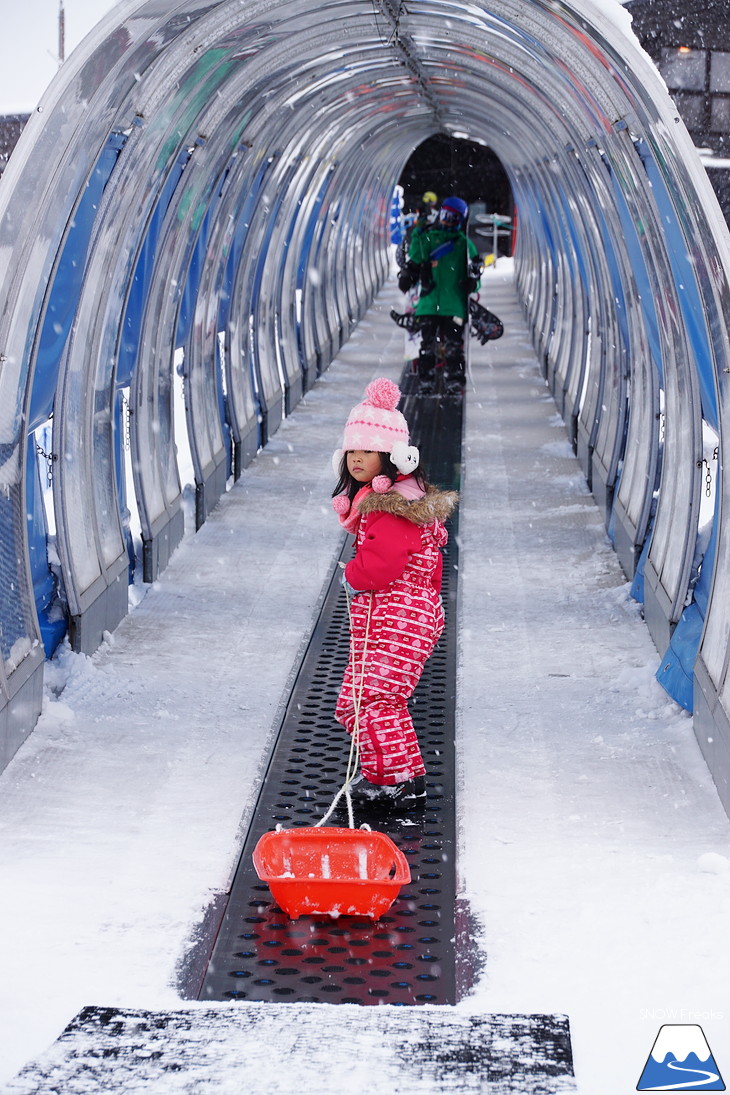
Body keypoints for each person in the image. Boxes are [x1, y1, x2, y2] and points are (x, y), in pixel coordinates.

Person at [330, 377, 458, 811]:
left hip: (400, 617)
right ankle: (405, 778)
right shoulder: (389, 502)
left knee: (372, 700)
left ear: (393, 458)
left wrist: (352, 572)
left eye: (367, 451)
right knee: (365, 701)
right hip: (399, 616)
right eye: (351, 450)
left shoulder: (392, 510)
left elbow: (381, 566)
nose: (356, 459)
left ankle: (392, 783)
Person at [407, 195, 482, 393]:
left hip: (453, 304)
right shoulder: (428, 238)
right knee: (427, 344)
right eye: (445, 215)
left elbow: (475, 273)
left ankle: (455, 380)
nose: (448, 221)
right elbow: (415, 255)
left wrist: (472, 282)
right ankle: (426, 380)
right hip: (430, 303)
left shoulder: (464, 245)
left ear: (460, 221)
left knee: (454, 346)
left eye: (454, 218)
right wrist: (418, 231)